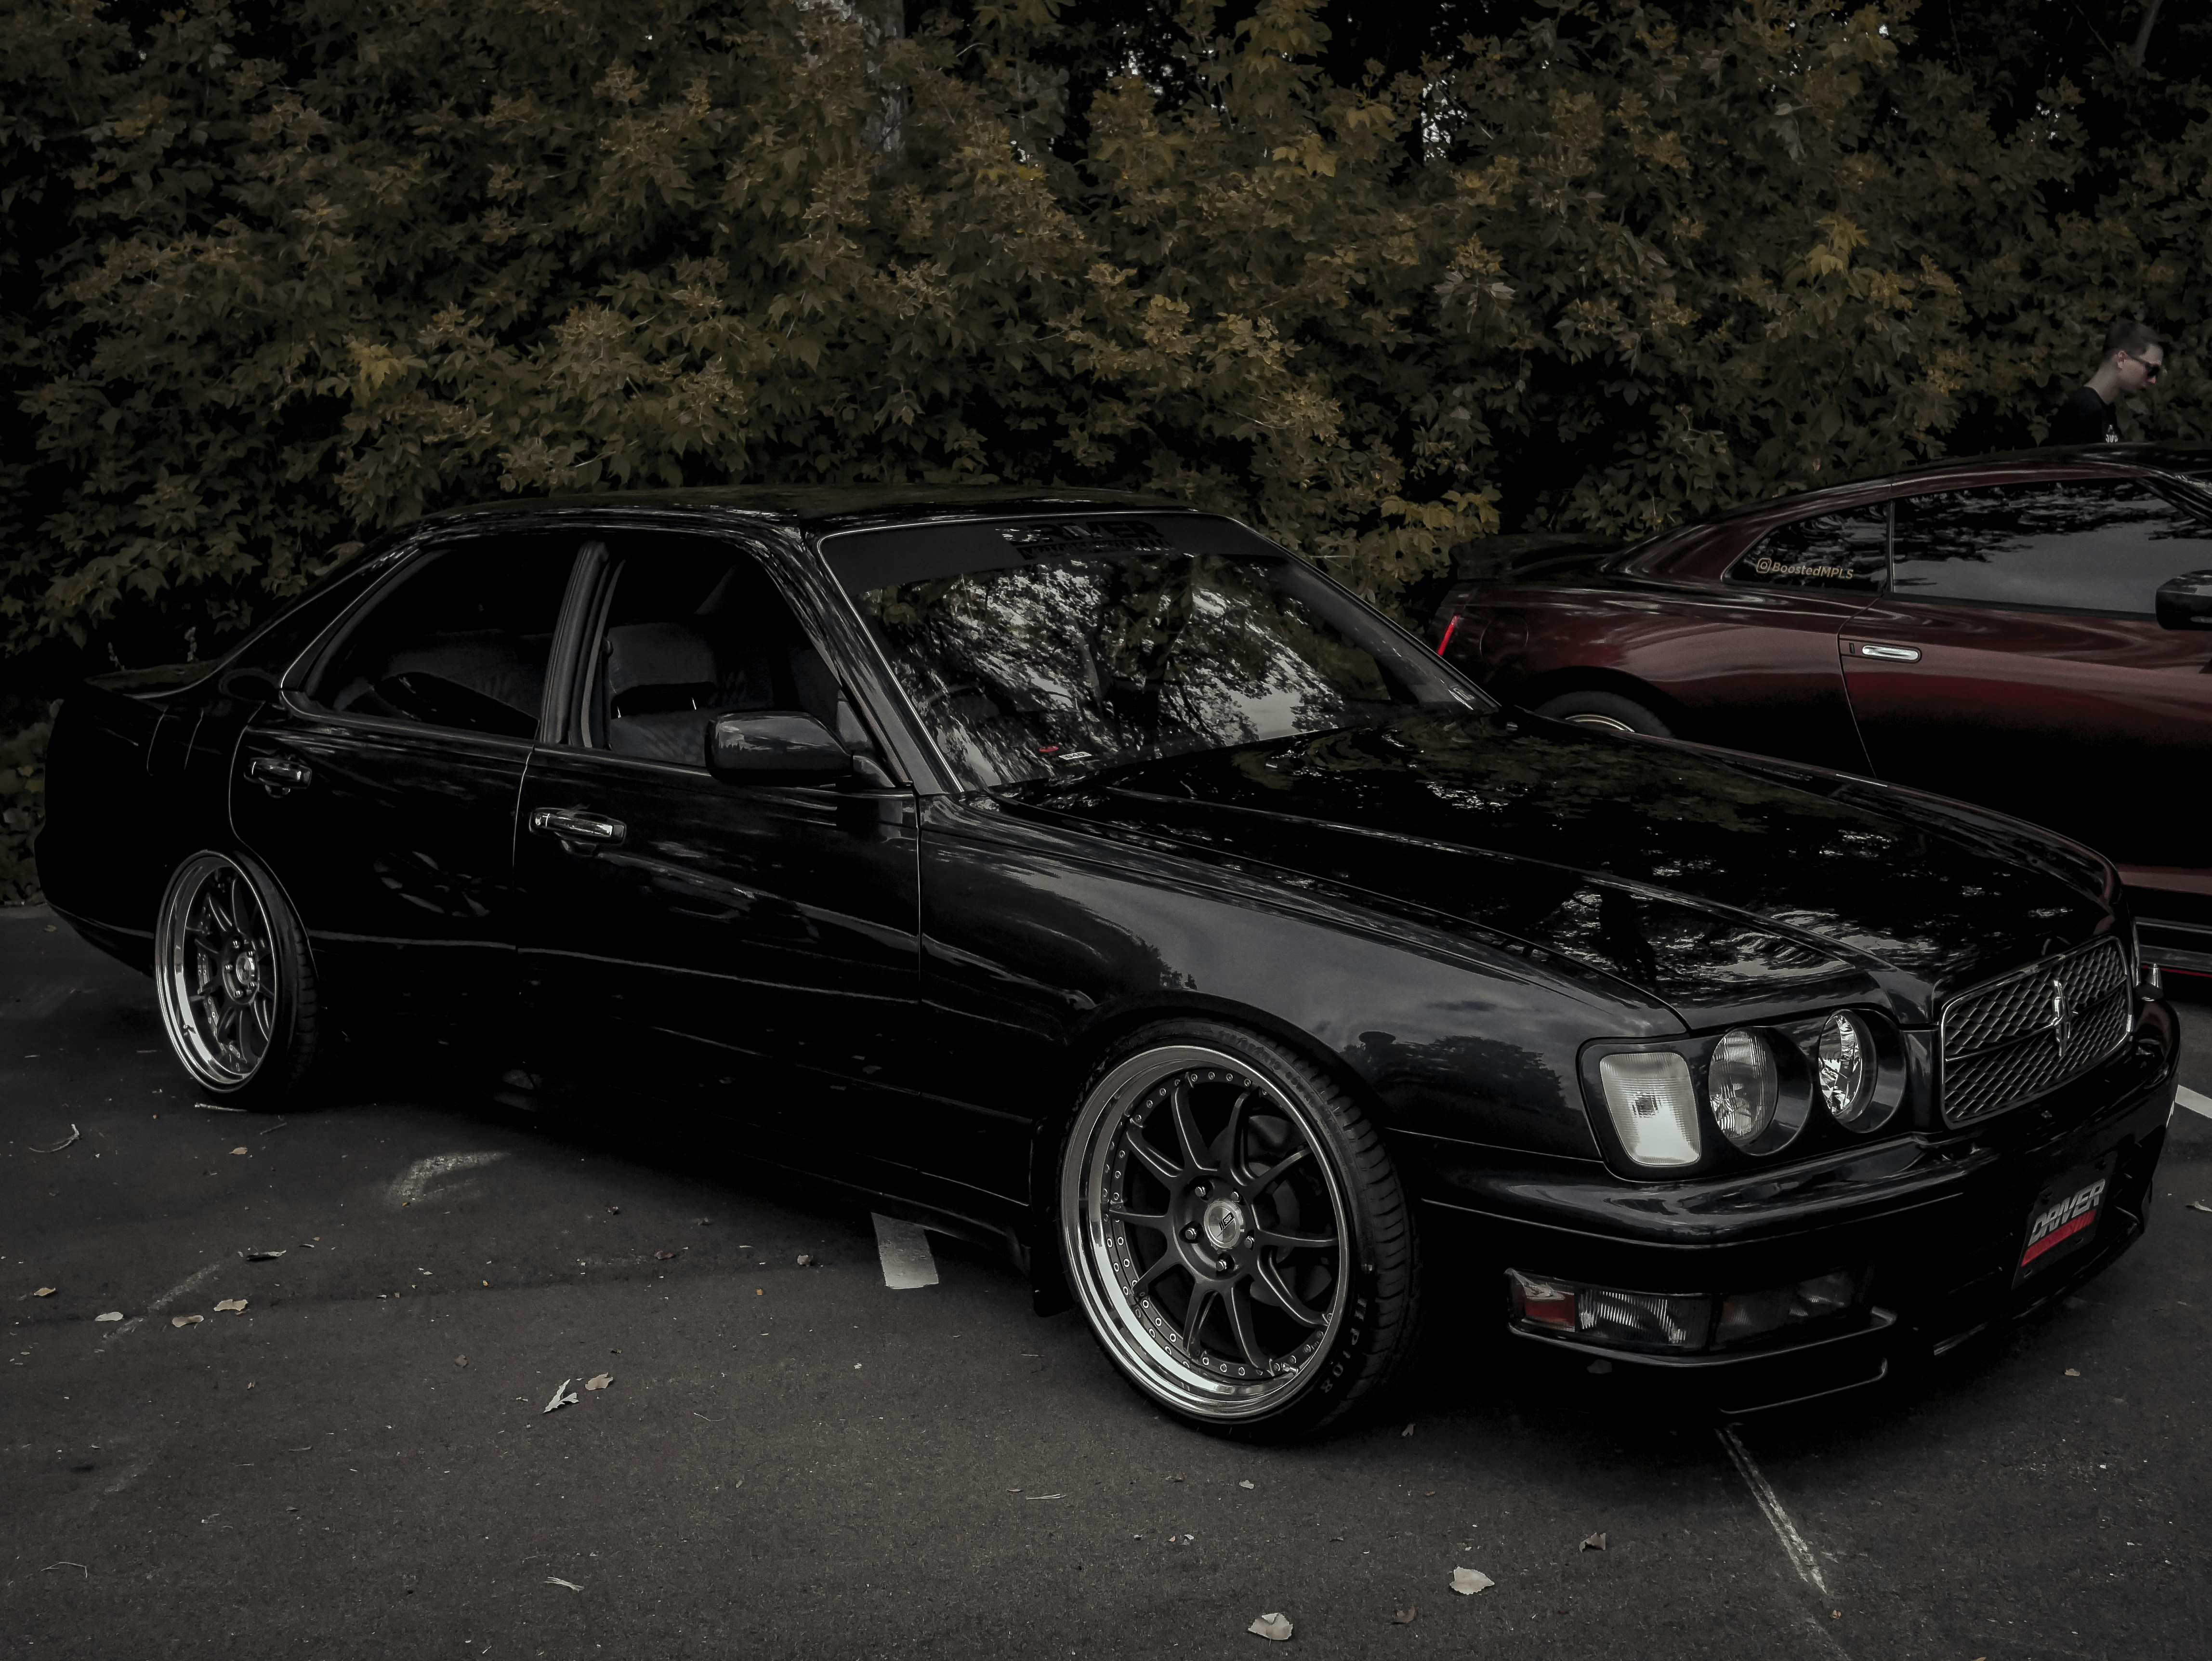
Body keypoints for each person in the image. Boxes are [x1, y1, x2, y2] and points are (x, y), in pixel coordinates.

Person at [2049, 320, 2166, 444]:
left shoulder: (2104, 410)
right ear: (2121, 359)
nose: (2153, 380)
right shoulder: (2083, 410)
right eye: (2152, 370)